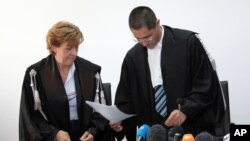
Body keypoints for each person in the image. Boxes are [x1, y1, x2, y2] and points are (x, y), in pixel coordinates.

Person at [110, 6, 225, 141]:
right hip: (154, 133)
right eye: (138, 39)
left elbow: (206, 84)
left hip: (190, 130)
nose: (144, 43)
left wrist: (186, 110)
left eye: (148, 36)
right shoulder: (132, 58)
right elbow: (127, 100)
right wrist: (120, 122)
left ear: (158, 23)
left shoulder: (187, 43)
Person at [19, 21, 114, 141]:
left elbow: (102, 109)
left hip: (84, 136)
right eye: (68, 48)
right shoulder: (35, 75)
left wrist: (93, 131)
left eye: (77, 47)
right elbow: (30, 117)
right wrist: (53, 134)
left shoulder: (90, 72)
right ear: (54, 47)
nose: (74, 53)